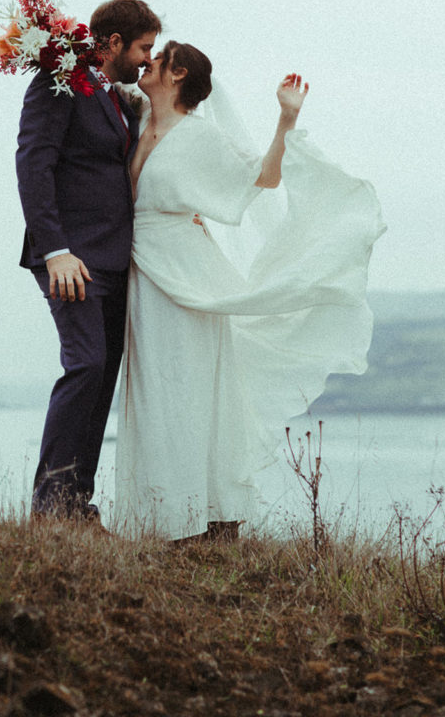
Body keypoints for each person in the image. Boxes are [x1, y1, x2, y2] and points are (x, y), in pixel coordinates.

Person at [114, 41, 386, 540]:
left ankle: (208, 517)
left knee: (189, 387)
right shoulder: (133, 124)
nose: (144, 63)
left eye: (156, 57)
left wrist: (285, 118)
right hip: (142, 268)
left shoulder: (199, 136)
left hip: (186, 273)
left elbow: (265, 175)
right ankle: (157, 517)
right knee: (151, 388)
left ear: (177, 73)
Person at [16, 0, 161, 519]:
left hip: (114, 261)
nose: (148, 58)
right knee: (86, 365)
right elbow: (34, 163)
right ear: (114, 42)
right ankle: (51, 505)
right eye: (144, 47)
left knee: (102, 378)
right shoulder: (59, 81)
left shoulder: (117, 99)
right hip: (70, 258)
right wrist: (55, 250)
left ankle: (78, 505)